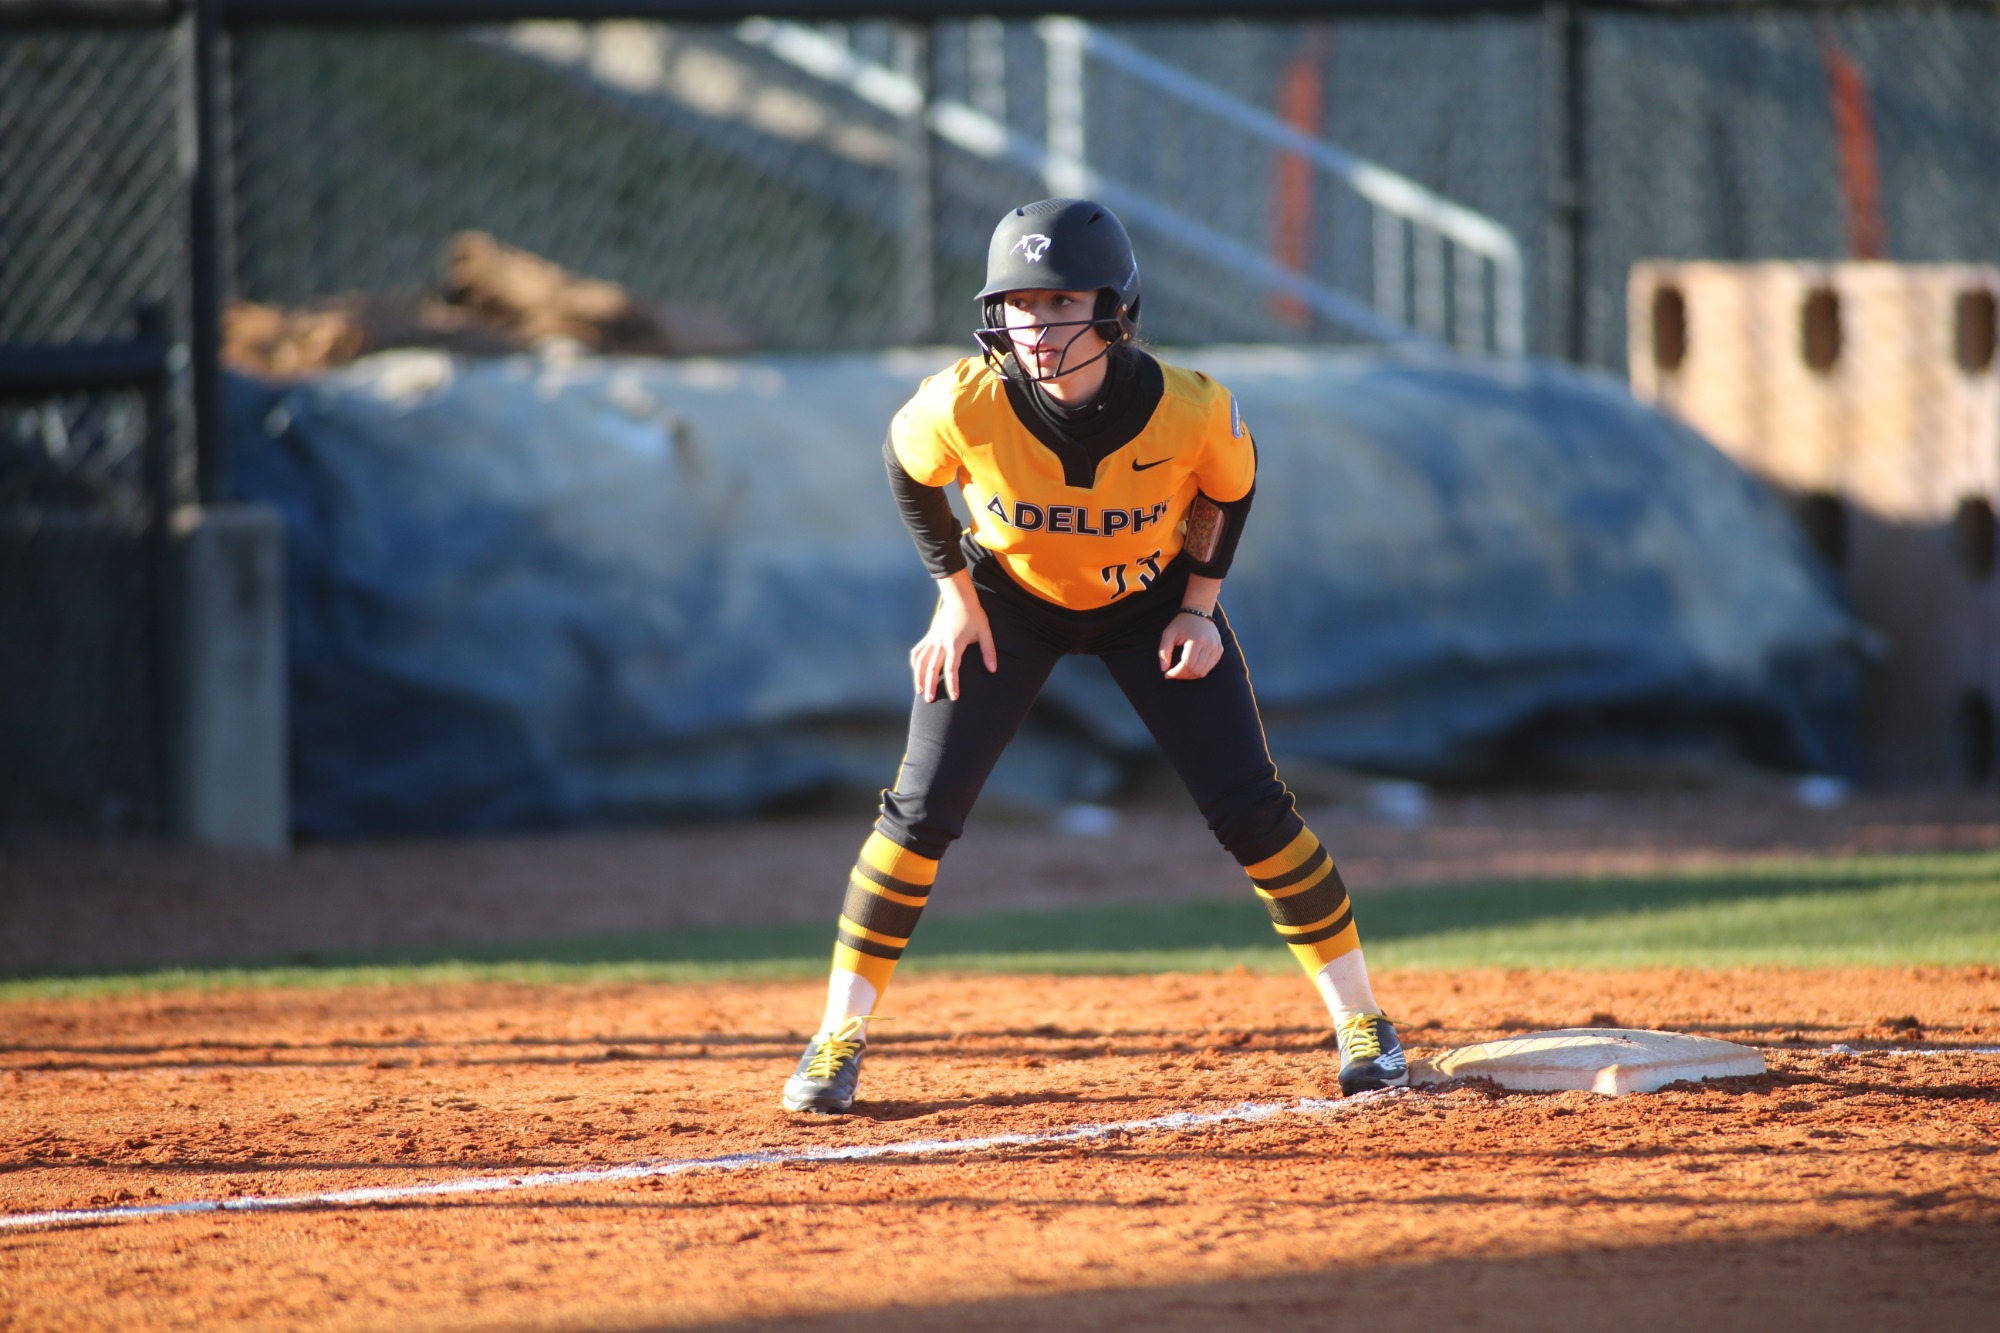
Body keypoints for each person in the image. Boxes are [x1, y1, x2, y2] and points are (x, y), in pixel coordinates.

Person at [781, 198, 1406, 1114]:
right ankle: (836, 1035)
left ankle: (1364, 1020)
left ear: (1116, 309)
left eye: (1064, 301)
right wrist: (953, 599)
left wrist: (1199, 608)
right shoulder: (965, 400)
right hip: (1009, 602)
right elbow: (908, 469)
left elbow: (1230, 490)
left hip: (1149, 603)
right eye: (1021, 305)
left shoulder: (1188, 408)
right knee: (917, 813)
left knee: (1252, 810)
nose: (1039, 325)